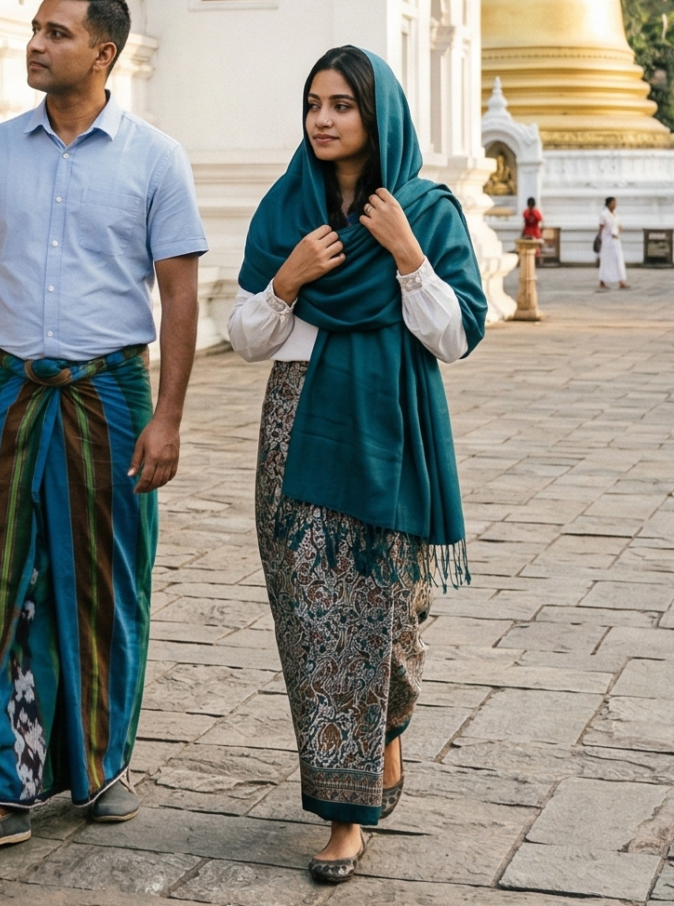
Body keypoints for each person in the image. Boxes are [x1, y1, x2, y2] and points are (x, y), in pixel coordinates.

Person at [0, 0, 208, 851]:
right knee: (3, 581)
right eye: (35, 30)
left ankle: (99, 767)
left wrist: (167, 417)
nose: (36, 45)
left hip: (109, 392)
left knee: (107, 581)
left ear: (103, 53)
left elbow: (180, 295)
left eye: (57, 33)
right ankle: (2, 787)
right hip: (13, 390)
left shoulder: (155, 159)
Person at [228, 46, 484, 884]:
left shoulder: (425, 210)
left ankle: (388, 729)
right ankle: (344, 812)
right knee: (315, 625)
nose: (323, 119)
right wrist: (288, 279)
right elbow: (244, 337)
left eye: (342, 104)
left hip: (390, 431)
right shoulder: (287, 208)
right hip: (295, 431)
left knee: (391, 619)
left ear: (377, 117)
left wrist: (408, 254)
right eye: (313, 103)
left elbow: (455, 335)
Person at [596, 196, 627, 290]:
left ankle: (621, 281)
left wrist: (619, 230)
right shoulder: (604, 214)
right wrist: (599, 237)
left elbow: (618, 225)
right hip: (607, 241)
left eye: (615, 203)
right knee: (606, 261)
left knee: (618, 259)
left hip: (616, 240)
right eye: (613, 203)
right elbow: (601, 227)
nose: (615, 205)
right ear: (608, 204)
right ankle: (602, 281)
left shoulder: (615, 214)